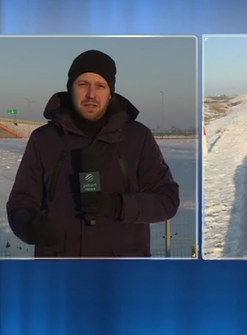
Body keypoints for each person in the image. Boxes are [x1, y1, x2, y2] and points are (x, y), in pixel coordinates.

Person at [6, 50, 180, 257]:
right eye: (83, 84)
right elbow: (21, 201)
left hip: (122, 271)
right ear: (71, 88)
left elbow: (166, 200)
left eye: (100, 86)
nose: (91, 94)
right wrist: (29, 227)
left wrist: (119, 205)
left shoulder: (138, 137)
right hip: (61, 269)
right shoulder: (43, 140)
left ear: (110, 92)